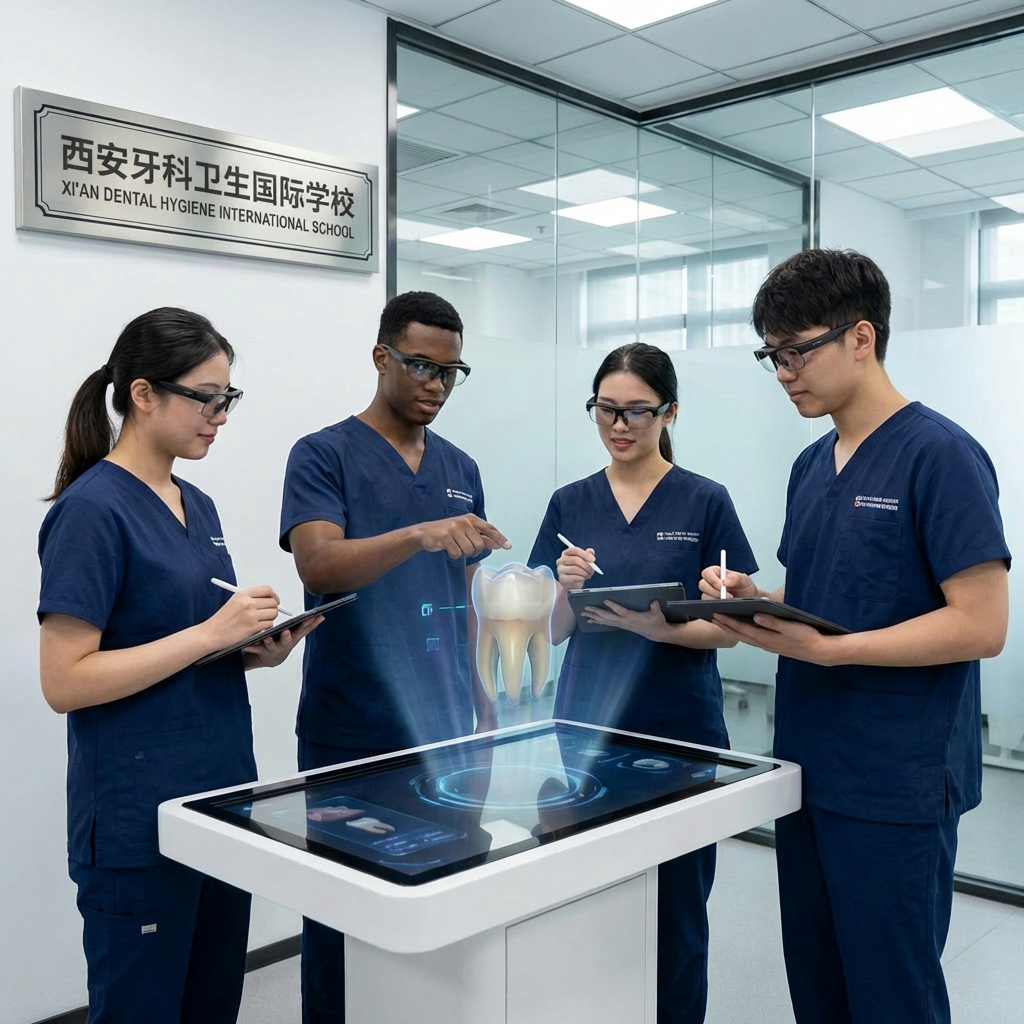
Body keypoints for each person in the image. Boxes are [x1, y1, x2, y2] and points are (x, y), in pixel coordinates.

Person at [700, 249, 1010, 1024]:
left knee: (890, 994)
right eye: (771, 355)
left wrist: (840, 652)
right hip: (810, 766)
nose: (783, 372)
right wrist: (753, 597)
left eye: (797, 350)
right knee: (818, 982)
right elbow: (823, 593)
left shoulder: (940, 456)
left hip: (895, 780)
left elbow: (983, 623)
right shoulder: (811, 466)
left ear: (862, 337)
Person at [37, 308, 319, 1024]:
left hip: (218, 801)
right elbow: (65, 681)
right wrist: (207, 635)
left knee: (211, 1005)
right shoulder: (91, 511)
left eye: (229, 399)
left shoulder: (198, 503)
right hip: (138, 820)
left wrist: (249, 651)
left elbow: (182, 647)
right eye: (207, 397)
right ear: (142, 394)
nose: (220, 415)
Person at [279, 290, 510, 1024]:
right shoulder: (323, 455)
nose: (435, 385)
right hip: (353, 724)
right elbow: (318, 566)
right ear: (381, 357)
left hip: (447, 729)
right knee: (343, 915)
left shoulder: (460, 466)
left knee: (445, 906)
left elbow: (471, 592)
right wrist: (417, 535)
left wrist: (486, 700)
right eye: (418, 365)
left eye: (450, 371)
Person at [527, 342, 758, 1024]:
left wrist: (662, 632)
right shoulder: (570, 503)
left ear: (670, 413)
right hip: (585, 729)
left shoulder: (705, 500)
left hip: (678, 724)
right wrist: (564, 590)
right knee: (584, 899)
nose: (619, 425)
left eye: (636, 412)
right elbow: (555, 632)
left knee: (678, 910)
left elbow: (730, 625)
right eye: (605, 410)